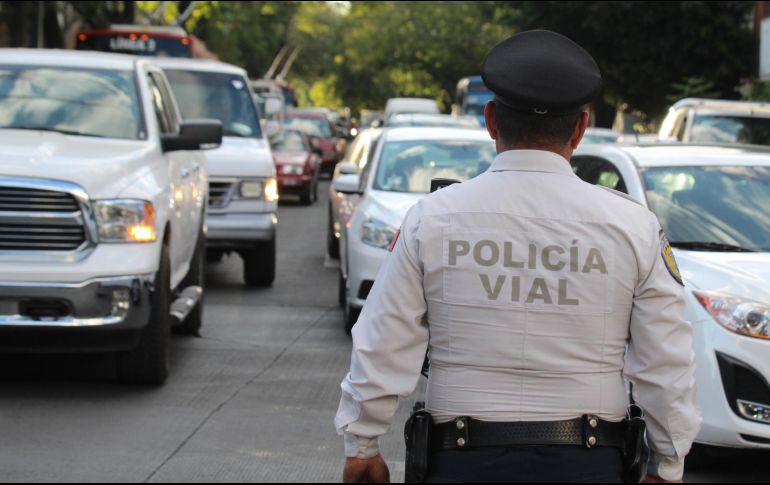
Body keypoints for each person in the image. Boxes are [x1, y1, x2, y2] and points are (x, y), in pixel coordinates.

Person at [335, 30, 701, 483]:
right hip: (590, 463)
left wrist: (363, 442)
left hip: (460, 461)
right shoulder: (633, 227)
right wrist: (667, 462)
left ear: (491, 120)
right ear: (581, 128)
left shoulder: (432, 219)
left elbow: (383, 339)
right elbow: (666, 360)